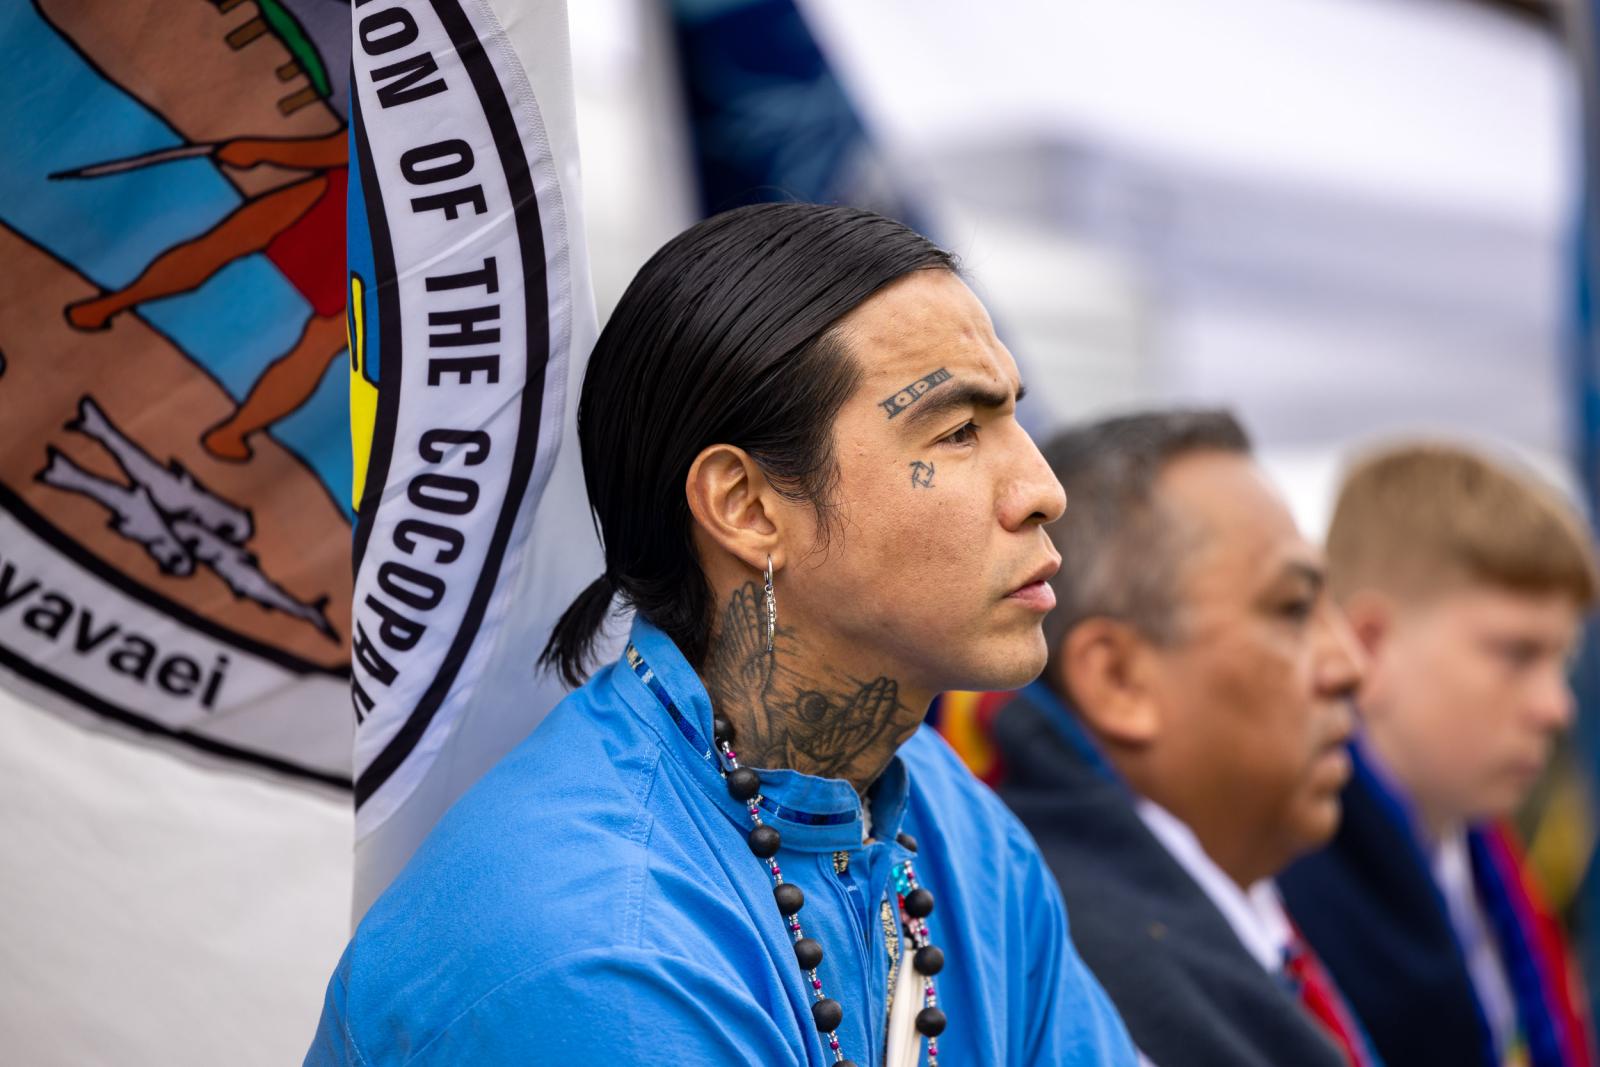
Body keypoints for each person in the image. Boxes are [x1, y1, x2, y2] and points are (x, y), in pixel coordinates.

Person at [306, 203, 1135, 1065]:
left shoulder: (951, 825)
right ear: (746, 506)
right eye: (960, 430)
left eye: (1012, 418)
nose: (1042, 487)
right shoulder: (600, 957)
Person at [988, 410, 1374, 1067]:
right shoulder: (1074, 974)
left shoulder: (1250, 913)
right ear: (1118, 678)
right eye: (1292, 608)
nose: (1348, 666)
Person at [1280, 442, 1599, 1067]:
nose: (1555, 707)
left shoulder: (1480, 854)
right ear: (1369, 644)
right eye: (1516, 654)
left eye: (1561, 662)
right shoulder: (1293, 886)